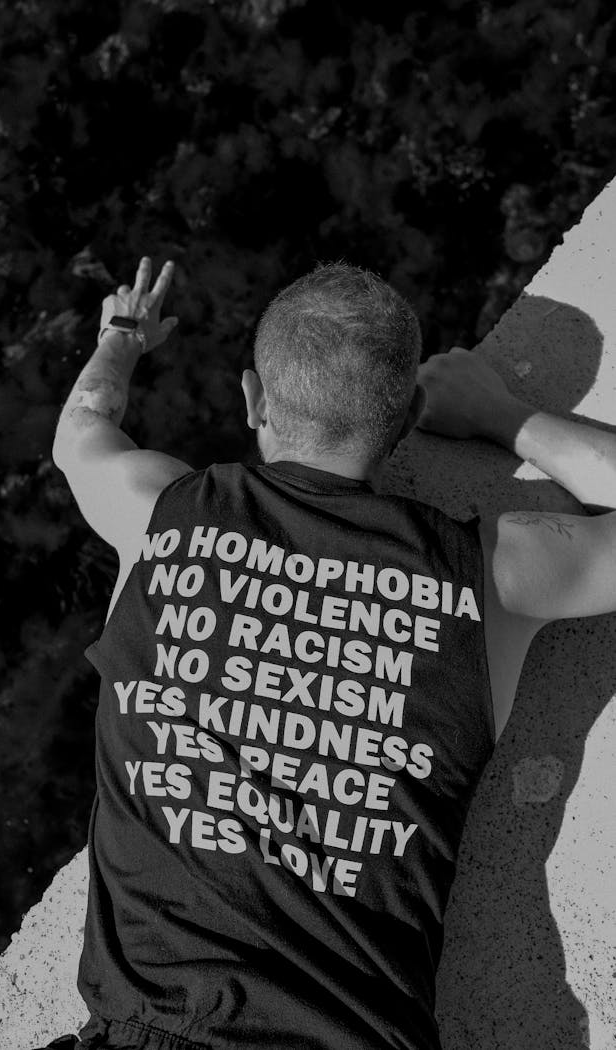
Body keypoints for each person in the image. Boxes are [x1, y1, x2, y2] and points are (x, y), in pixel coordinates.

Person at [46, 255, 616, 1050]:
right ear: (409, 411)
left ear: (252, 399)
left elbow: (81, 430)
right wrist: (503, 415)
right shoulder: (491, 574)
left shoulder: (160, 514)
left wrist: (122, 334)